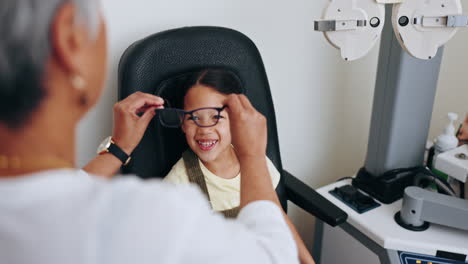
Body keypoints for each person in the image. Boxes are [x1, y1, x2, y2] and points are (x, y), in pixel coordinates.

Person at [0, 1, 299, 263]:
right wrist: (253, 156)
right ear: (70, 37)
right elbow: (274, 257)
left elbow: (56, 193)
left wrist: (118, 148)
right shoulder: (155, 216)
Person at [163, 69, 315, 264]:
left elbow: (277, 218)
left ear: (237, 119)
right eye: (194, 118)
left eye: (215, 117)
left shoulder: (255, 161)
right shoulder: (177, 186)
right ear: (183, 123)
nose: (204, 130)